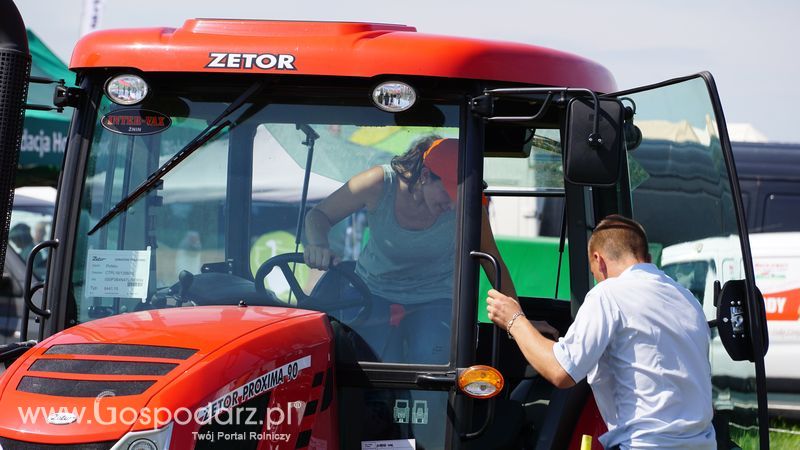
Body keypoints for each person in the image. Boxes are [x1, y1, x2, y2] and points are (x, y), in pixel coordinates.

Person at [486, 215, 715, 449]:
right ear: (644, 256)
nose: (597, 280)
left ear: (599, 260)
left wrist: (514, 320)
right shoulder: (687, 299)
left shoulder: (609, 293)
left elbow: (561, 371)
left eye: (594, 272)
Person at [304, 136, 516, 364]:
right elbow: (318, 215)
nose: (453, 205)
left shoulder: (467, 206)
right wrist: (318, 244)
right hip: (372, 291)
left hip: (436, 296)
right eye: (447, 193)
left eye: (459, 197)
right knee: (364, 363)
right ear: (425, 176)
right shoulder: (378, 183)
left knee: (432, 360)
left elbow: (491, 259)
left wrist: (519, 321)